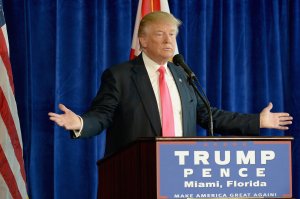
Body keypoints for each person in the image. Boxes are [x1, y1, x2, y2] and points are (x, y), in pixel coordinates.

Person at [48, 11, 293, 157]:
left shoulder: (183, 75)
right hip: (136, 174)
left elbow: (209, 115)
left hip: (180, 174)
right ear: (142, 41)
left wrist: (257, 121)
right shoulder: (120, 76)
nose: (168, 41)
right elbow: (102, 116)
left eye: (172, 35)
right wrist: (80, 122)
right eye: (159, 34)